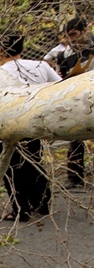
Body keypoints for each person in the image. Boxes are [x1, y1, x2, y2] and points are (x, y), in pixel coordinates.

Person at [0, 33, 60, 221]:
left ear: (1, 50)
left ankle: (20, 209)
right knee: (34, 163)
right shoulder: (41, 66)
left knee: (11, 170)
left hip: (6, 127)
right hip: (32, 124)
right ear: (22, 48)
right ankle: (42, 203)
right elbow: (59, 85)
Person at [56, 17, 93, 189]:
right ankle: (74, 177)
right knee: (75, 139)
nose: (71, 39)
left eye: (74, 34)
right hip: (77, 101)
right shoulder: (64, 55)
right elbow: (62, 79)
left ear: (85, 31)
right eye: (68, 36)